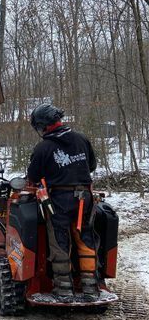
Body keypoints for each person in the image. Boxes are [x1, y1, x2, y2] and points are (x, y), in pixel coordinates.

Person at [26, 103, 99, 302]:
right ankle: (90, 287)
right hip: (85, 197)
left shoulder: (43, 147)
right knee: (85, 238)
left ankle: (64, 288)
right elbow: (91, 165)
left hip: (59, 199)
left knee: (59, 240)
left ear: (43, 126)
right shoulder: (81, 139)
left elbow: (32, 176)